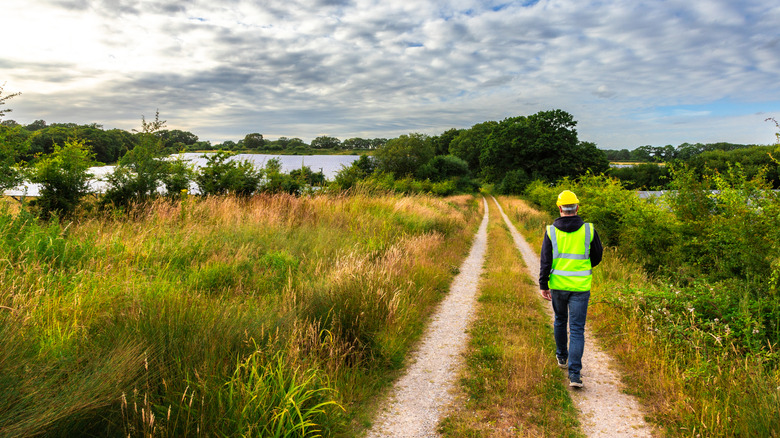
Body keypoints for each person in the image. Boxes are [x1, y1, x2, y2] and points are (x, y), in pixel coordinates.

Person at [539, 190, 603, 388]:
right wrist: (583, 267)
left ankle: (562, 358)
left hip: (558, 286)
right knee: (576, 329)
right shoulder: (589, 230)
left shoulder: (551, 231)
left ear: (559, 208)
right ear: (577, 207)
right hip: (581, 287)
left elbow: (545, 261)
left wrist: (543, 284)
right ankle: (575, 375)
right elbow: (597, 256)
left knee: (560, 320)